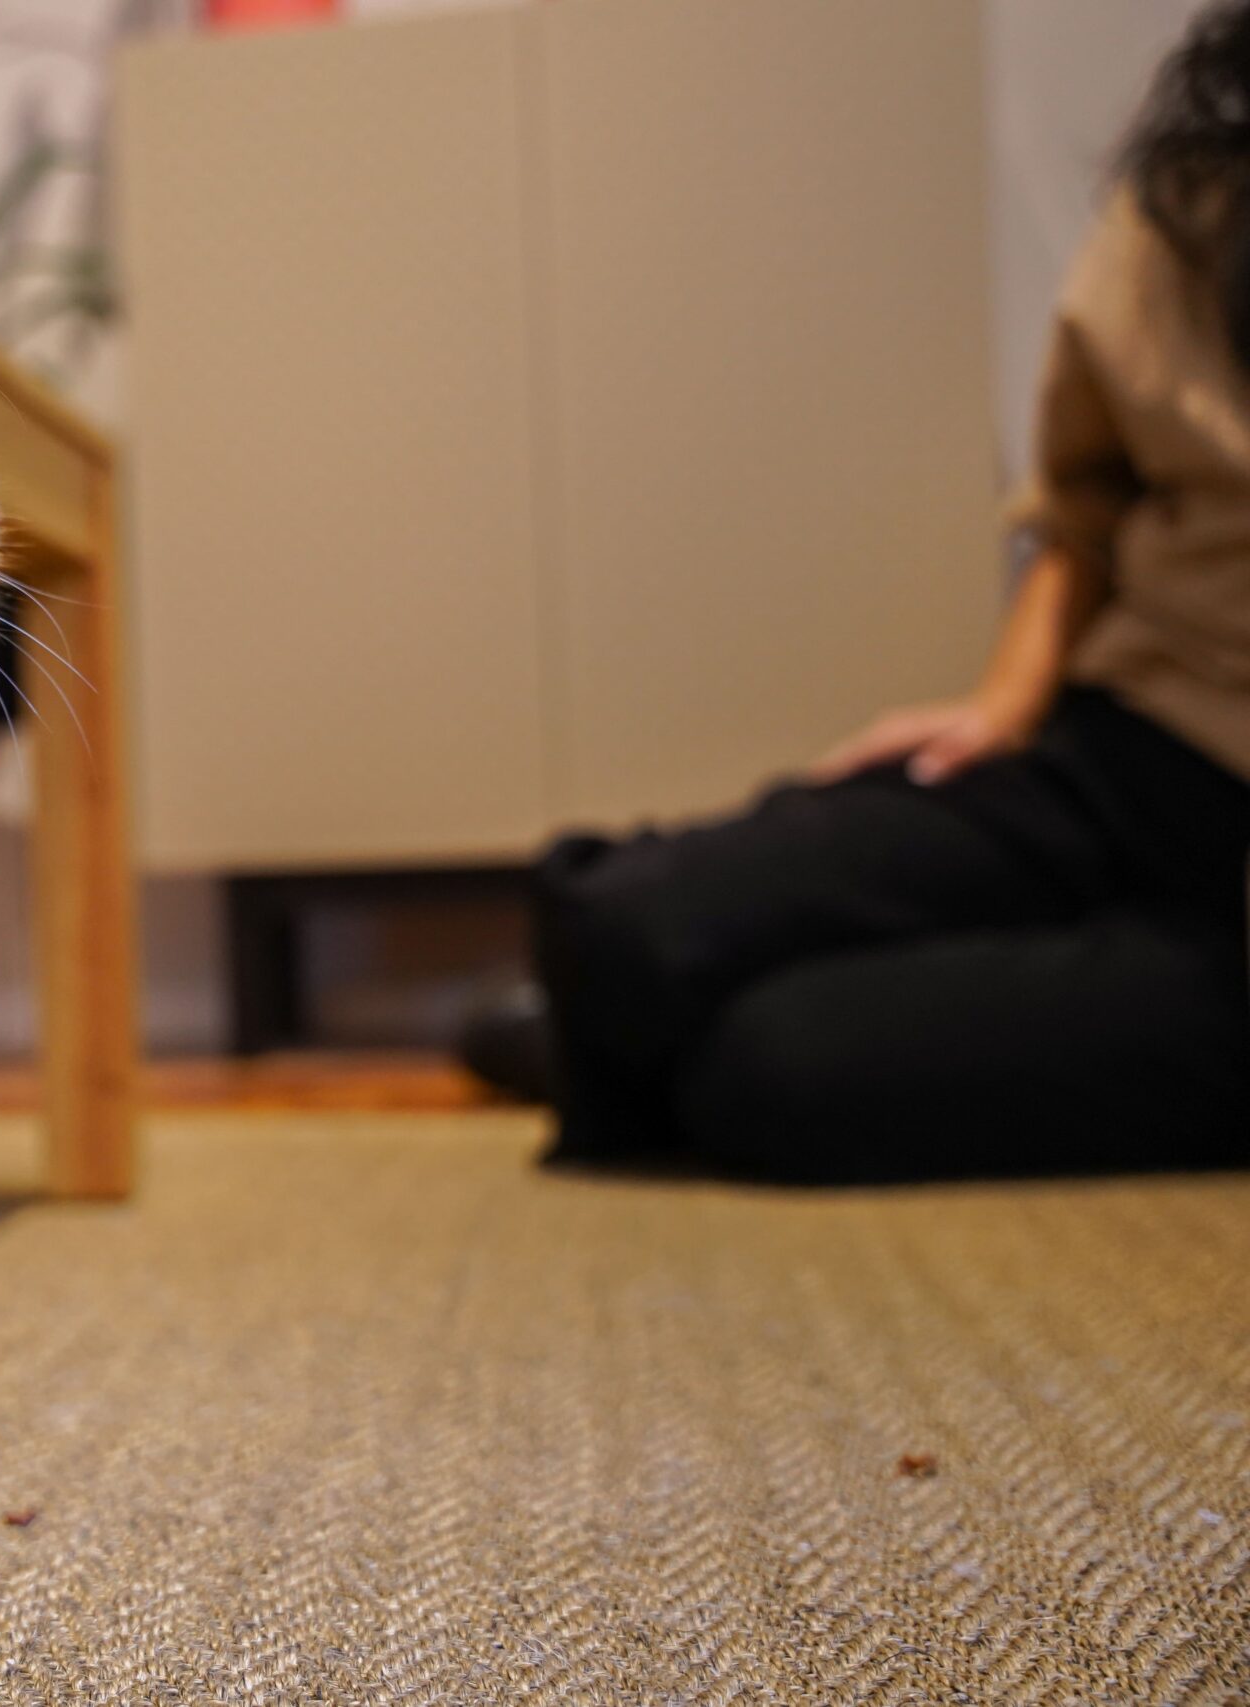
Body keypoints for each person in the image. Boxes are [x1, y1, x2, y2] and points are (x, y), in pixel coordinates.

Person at [485, 4, 1250, 1182]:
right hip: (1119, 754)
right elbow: (1083, 504)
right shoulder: (1195, 188)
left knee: (781, 1076)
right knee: (614, 924)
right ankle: (633, 1028)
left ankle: (654, 1055)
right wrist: (1002, 704)